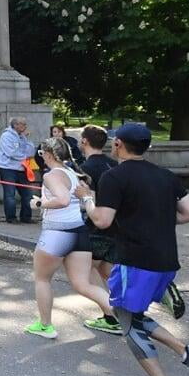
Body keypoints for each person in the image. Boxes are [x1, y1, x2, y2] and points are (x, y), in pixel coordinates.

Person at [83, 122, 189, 376]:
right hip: (166, 261)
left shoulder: (114, 177)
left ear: (118, 144)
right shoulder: (165, 175)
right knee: (131, 316)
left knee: (129, 325)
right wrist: (156, 219)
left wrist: (85, 199)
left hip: (135, 260)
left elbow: (102, 220)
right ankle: (188, 354)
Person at [24, 137, 113, 339]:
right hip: (78, 232)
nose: (41, 157)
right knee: (84, 284)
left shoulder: (51, 175)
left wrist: (39, 204)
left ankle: (45, 326)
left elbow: (63, 200)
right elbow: (79, 198)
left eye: (41, 154)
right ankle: (126, 317)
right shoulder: (73, 173)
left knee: (42, 279)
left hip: (56, 233)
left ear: (48, 154)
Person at [75, 126, 122, 334]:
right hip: (117, 224)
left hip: (97, 225)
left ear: (85, 141)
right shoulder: (114, 164)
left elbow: (89, 199)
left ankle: (111, 316)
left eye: (80, 138)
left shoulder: (85, 168)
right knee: (105, 270)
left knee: (85, 270)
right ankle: (128, 308)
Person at [0, 117, 36, 223]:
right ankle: (11, 217)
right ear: (15, 125)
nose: (25, 126)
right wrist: (24, 156)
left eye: (25, 124)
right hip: (7, 168)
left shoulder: (23, 137)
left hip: (21, 168)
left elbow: (31, 151)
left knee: (27, 194)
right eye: (23, 124)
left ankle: (26, 217)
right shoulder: (6, 136)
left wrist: (26, 139)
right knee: (10, 194)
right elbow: (11, 153)